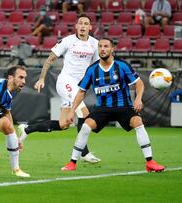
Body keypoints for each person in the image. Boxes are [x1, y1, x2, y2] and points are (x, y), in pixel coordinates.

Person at [61, 38, 165, 172]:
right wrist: (71, 111)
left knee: (138, 122)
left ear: (112, 49)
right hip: (103, 108)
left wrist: (138, 99)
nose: (102, 49)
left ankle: (150, 162)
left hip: (124, 107)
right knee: (86, 126)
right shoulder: (92, 69)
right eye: (100, 46)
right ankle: (72, 163)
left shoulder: (121, 65)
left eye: (105, 46)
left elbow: (139, 83)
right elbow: (81, 92)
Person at [18, 14, 101, 164]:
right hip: (65, 82)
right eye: (80, 23)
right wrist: (42, 78)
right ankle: (84, 152)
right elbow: (50, 59)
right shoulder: (68, 41)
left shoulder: (95, 44)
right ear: (76, 26)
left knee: (63, 125)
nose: (82, 26)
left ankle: (27, 129)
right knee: (84, 113)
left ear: (90, 27)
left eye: (86, 23)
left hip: (79, 86)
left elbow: (97, 66)